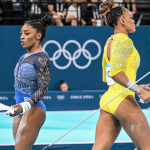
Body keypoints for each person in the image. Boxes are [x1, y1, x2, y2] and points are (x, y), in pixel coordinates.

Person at [92, 0, 150, 150]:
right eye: (130, 17)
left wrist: (137, 85)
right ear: (122, 20)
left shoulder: (110, 40)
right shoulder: (125, 41)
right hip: (122, 99)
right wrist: (137, 89)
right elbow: (116, 72)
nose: (133, 20)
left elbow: (111, 76)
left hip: (108, 99)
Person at [5, 15, 52, 150]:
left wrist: (24, 106)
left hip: (33, 108)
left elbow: (43, 89)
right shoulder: (23, 57)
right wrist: (20, 108)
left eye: (26, 33)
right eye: (21, 34)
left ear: (38, 36)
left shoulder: (42, 58)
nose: (22, 37)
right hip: (21, 109)